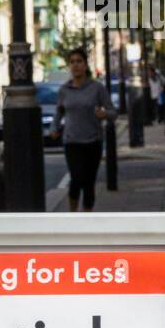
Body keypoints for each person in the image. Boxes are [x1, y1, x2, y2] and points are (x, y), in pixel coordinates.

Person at [51, 48, 114, 212]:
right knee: (76, 178)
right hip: (72, 141)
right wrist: (54, 127)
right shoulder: (64, 90)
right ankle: (73, 217)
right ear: (69, 66)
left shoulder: (97, 88)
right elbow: (59, 112)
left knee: (88, 182)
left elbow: (113, 112)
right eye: (72, 62)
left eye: (79, 61)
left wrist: (104, 113)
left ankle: (87, 217)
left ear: (86, 65)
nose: (76, 65)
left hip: (93, 141)